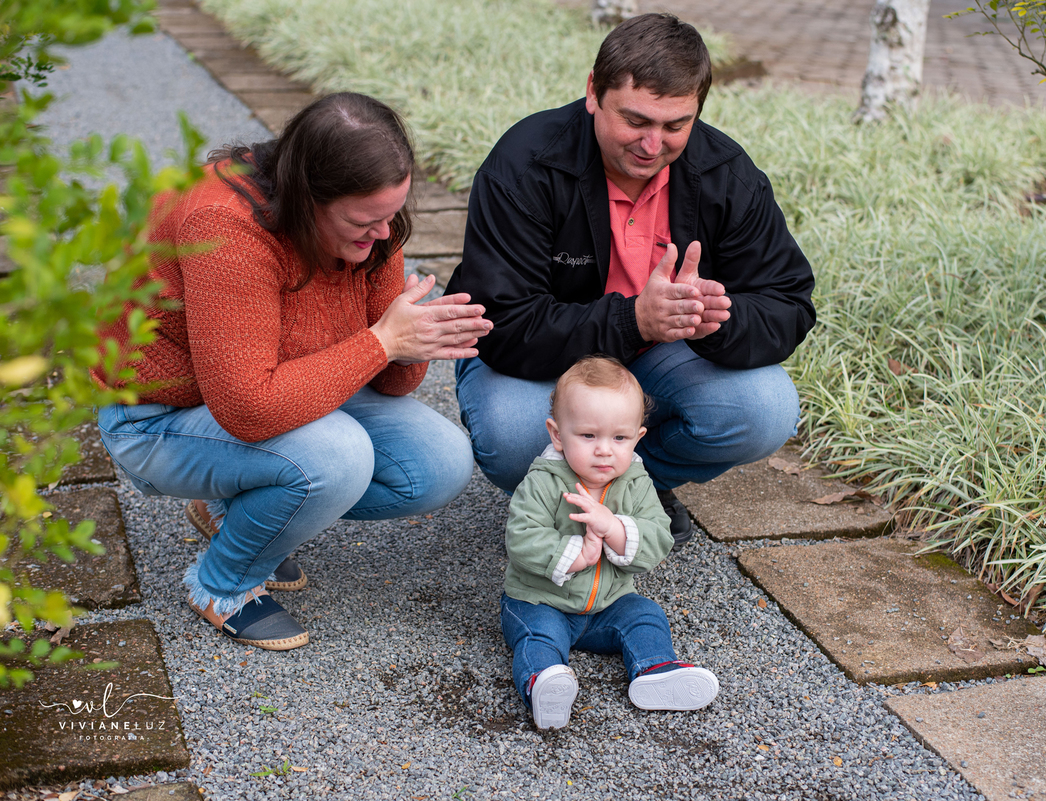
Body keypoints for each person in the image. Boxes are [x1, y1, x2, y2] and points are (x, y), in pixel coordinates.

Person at [94, 93, 492, 651]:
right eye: (364, 221)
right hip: (157, 417)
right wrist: (383, 341)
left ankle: (233, 509)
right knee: (338, 457)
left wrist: (408, 346)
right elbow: (249, 409)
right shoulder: (227, 229)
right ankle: (223, 585)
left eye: (391, 215)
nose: (384, 234)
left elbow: (391, 382)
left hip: (278, 379)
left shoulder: (375, 225)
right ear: (307, 199)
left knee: (439, 464)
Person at [446, 13, 816, 548]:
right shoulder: (524, 164)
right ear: (593, 92)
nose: (652, 144)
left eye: (675, 126)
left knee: (766, 410)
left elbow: (789, 301)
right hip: (538, 357)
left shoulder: (727, 173)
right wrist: (634, 319)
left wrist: (718, 321)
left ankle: (631, 487)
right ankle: (570, 492)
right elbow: (501, 323)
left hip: (659, 355)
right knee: (513, 435)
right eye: (635, 120)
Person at [502, 356, 719, 729]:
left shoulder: (636, 483)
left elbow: (658, 536)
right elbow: (522, 537)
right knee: (538, 636)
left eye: (619, 438)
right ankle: (544, 682)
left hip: (608, 605)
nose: (604, 449)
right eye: (588, 436)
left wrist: (615, 529)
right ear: (557, 434)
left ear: (637, 437)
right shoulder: (543, 481)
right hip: (540, 600)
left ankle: (655, 669)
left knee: (645, 615)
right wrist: (576, 555)